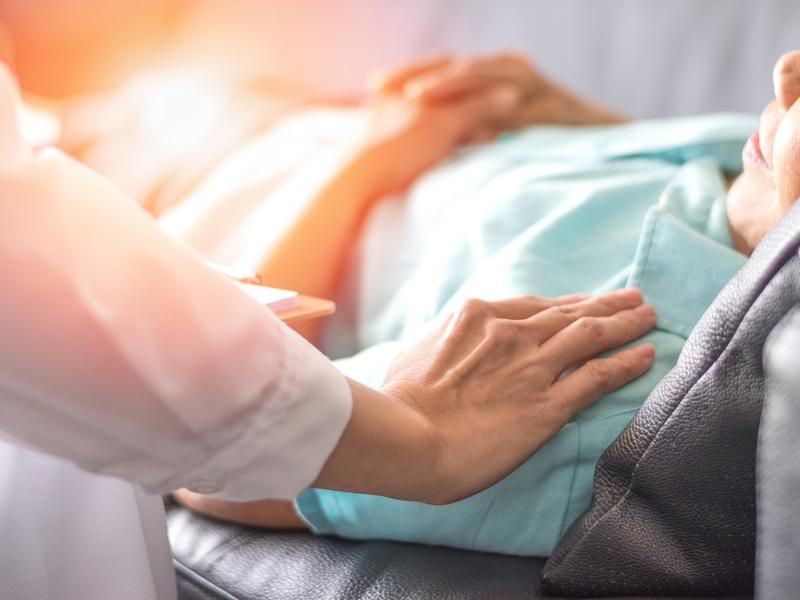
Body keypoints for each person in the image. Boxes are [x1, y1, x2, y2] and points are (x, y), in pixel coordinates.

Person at [0, 41, 658, 600]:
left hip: (199, 172)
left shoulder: (642, 359)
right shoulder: (733, 148)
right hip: (258, 133)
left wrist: (366, 162)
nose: (769, 84)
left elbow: (140, 337)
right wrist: (610, 140)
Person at [172, 50, 800, 557]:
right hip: (261, 110)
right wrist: (569, 126)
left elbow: (204, 437)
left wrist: (370, 158)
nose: (786, 71)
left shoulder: (590, 396)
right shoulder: (757, 172)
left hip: (183, 205)